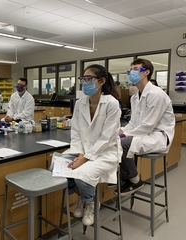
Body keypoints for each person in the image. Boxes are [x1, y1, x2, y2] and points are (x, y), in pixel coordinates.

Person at [59, 64, 122, 226]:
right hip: (83, 151)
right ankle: (85, 198)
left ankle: (91, 203)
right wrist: (79, 154)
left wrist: (85, 158)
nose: (84, 82)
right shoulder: (80, 103)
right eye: (83, 79)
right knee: (58, 166)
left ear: (101, 81)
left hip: (105, 152)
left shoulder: (112, 104)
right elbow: (76, 131)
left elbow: (106, 138)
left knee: (83, 174)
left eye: (88, 79)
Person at [115, 59, 175, 196]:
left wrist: (123, 135)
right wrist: (122, 130)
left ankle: (135, 181)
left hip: (158, 136)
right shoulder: (135, 97)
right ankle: (120, 177)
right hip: (143, 134)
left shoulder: (156, 94)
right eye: (130, 70)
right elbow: (134, 122)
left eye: (135, 69)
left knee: (120, 144)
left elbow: (148, 126)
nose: (131, 72)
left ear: (146, 72)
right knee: (115, 140)